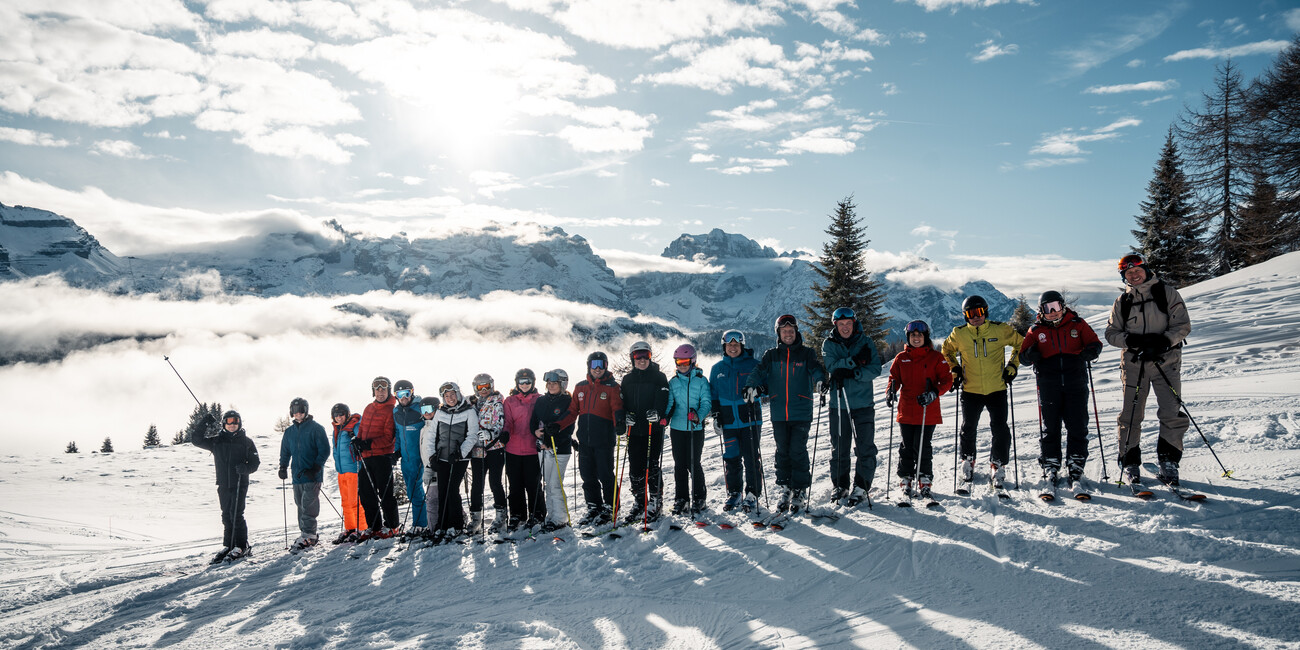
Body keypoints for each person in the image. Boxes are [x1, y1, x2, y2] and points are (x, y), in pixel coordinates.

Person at [1103, 253, 1192, 487]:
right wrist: (1131, 341)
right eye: (1129, 273)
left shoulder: (1167, 293)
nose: (1134, 275)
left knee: (1171, 411)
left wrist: (1164, 342)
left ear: (1146, 270)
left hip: (1166, 362)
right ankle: (1129, 461)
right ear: (1124, 277)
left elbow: (1182, 325)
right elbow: (1111, 333)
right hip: (1134, 365)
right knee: (1131, 415)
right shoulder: (1122, 301)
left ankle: (1169, 461)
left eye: (1137, 270)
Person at [1019, 291, 1103, 488]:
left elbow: (1095, 343)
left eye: (1056, 306)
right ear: (1041, 311)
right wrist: (1030, 355)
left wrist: (1092, 351)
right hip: (1049, 383)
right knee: (1050, 427)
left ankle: (1076, 463)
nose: (1053, 312)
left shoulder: (1077, 324)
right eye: (1048, 308)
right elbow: (1022, 357)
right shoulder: (1035, 330)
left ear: (1063, 306)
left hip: (1076, 381)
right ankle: (1051, 463)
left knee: (1077, 425)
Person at [744, 314, 826, 514]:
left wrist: (821, 380)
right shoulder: (771, 355)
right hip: (779, 412)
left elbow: (816, 369)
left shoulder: (806, 353)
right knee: (782, 451)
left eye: (791, 331)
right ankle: (786, 487)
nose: (788, 334)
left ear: (796, 332)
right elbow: (758, 371)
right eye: (784, 331)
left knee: (797, 450)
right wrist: (750, 385)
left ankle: (799, 490)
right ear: (778, 334)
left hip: (801, 411)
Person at [940, 296, 1024, 489]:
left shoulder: (1000, 329)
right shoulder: (959, 334)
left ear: (985, 311)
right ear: (965, 316)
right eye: (970, 314)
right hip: (971, 389)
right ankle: (968, 461)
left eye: (978, 312)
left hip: (997, 388)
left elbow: (1021, 344)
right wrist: (955, 369)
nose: (975, 317)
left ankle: (998, 464)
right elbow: (946, 350)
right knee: (968, 428)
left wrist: (1012, 366)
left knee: (1000, 429)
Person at [821, 308, 883, 505]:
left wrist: (854, 373)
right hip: (838, 404)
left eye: (848, 323)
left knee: (865, 447)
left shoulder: (866, 342)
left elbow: (875, 369)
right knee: (839, 448)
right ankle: (840, 485)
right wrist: (855, 361)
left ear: (854, 323)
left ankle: (861, 486)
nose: (845, 327)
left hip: (863, 404)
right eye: (841, 324)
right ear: (836, 325)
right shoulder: (829, 344)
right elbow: (832, 367)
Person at [886, 320, 953, 501]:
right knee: (907, 445)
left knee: (923, 445)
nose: (916, 338)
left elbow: (947, 380)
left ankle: (924, 478)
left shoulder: (935, 357)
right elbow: (894, 378)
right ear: (908, 337)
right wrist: (890, 391)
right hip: (907, 410)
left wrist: (934, 393)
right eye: (913, 335)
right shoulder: (901, 358)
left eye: (920, 335)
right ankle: (906, 478)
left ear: (925, 337)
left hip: (927, 410)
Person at [193, 409, 260, 563]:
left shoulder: (246, 442)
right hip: (223, 483)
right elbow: (196, 440)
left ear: (239, 423)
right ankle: (229, 546)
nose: (232, 424)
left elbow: (255, 463)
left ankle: (241, 546)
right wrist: (205, 422)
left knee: (236, 514)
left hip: (239, 483)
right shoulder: (217, 442)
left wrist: (245, 468)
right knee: (226, 515)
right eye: (229, 421)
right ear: (224, 424)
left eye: (235, 421)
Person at [710, 330, 764, 513]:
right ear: (724, 347)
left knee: (751, 457)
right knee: (732, 458)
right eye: (729, 345)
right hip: (729, 421)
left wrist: (758, 390)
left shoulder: (754, 365)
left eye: (736, 345)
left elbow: (767, 384)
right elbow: (714, 395)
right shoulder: (717, 369)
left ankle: (753, 493)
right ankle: (734, 492)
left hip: (750, 419)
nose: (733, 348)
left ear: (742, 346)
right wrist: (716, 415)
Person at [570, 351, 625, 525]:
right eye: (594, 364)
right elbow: (572, 412)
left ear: (606, 366)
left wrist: (619, 423)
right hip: (584, 441)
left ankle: (611, 507)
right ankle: (594, 506)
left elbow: (617, 407)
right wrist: (558, 427)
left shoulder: (612, 387)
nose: (598, 368)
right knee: (587, 475)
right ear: (589, 366)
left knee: (605, 474)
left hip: (604, 440)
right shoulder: (580, 387)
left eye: (602, 364)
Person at [621, 341, 670, 523]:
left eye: (646, 356)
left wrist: (657, 412)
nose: (642, 360)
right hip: (634, 430)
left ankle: (655, 502)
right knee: (635, 469)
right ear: (632, 358)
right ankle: (640, 501)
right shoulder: (627, 379)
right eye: (637, 356)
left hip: (652, 429)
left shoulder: (659, 377)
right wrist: (625, 415)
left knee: (652, 466)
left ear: (650, 357)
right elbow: (622, 402)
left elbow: (664, 398)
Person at [422, 382, 479, 538]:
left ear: (458, 394)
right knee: (442, 490)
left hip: (459, 458)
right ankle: (442, 524)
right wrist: (432, 456)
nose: (450, 398)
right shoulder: (441, 412)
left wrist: (460, 453)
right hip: (441, 457)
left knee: (452, 490)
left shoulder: (469, 412)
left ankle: (456, 525)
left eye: (452, 394)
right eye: (446, 396)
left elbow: (472, 435)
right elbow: (432, 435)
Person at [278, 397, 331, 551]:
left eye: (301, 410)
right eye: (295, 410)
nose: (298, 413)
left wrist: (316, 467)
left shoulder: (316, 428)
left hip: (312, 475)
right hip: (297, 476)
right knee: (300, 505)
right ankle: (305, 533)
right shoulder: (289, 432)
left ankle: (309, 535)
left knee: (309, 505)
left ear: (306, 411)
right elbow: (285, 451)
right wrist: (283, 466)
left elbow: (324, 450)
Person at [666, 344, 712, 515]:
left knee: (693, 463)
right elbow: (670, 403)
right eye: (679, 362)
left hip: (695, 427)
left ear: (693, 361)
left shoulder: (701, 381)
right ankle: (682, 499)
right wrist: (665, 417)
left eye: (685, 362)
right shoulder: (673, 382)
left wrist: (698, 415)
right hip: (677, 428)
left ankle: (699, 498)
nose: (682, 365)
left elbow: (706, 402)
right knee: (679, 465)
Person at [354, 376, 399, 540]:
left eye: (384, 389)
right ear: (373, 391)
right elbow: (362, 429)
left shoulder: (391, 410)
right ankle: (374, 527)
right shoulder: (368, 408)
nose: (380, 393)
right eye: (377, 390)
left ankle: (392, 526)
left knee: (385, 494)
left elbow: (389, 438)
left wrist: (369, 444)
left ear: (388, 391)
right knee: (366, 494)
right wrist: (358, 442)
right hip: (367, 458)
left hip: (382, 457)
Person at [534, 369, 575, 531]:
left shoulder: (567, 401)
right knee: (548, 484)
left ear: (563, 384)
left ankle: (560, 518)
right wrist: (535, 432)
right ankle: (552, 516)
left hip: (559, 449)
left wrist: (553, 442)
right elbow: (534, 420)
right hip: (542, 447)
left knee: (555, 484)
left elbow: (568, 427)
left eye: (555, 383)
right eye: (549, 383)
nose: (551, 386)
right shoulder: (541, 400)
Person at [502, 369, 544, 530]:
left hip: (533, 449)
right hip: (513, 449)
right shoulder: (510, 401)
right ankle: (517, 514)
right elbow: (507, 421)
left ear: (533, 383)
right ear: (517, 383)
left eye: (528, 382)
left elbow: (543, 420)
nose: (525, 384)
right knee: (515, 484)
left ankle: (537, 513)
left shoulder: (539, 399)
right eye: (521, 382)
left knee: (533, 484)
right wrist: (505, 433)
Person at [469, 373, 508, 534]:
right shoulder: (472, 403)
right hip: (477, 449)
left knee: (495, 482)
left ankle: (501, 516)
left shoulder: (497, 401)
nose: (484, 389)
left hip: (494, 447)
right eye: (480, 387)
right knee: (477, 484)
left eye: (486, 386)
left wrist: (491, 434)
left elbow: (500, 422)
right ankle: (476, 518)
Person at [391, 380, 429, 536]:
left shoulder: (420, 408)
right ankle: (421, 522)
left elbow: (430, 427)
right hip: (406, 459)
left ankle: (421, 524)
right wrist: (396, 451)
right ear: (396, 396)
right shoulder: (396, 412)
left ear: (412, 392)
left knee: (417, 490)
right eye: (400, 394)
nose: (404, 397)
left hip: (420, 457)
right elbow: (398, 433)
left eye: (407, 393)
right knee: (412, 491)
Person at [328, 403, 367, 543]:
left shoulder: (354, 426)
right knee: (345, 502)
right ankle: (350, 528)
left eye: (341, 414)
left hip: (353, 469)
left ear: (347, 414)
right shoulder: (337, 429)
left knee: (355, 501)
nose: (339, 417)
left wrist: (359, 444)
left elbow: (363, 440)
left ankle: (362, 528)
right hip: (341, 471)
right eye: (336, 415)